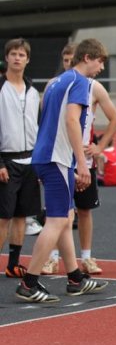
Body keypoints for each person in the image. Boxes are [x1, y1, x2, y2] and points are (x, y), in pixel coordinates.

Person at [16, 38, 109, 302]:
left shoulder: (57, 81)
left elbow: (48, 117)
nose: (101, 68)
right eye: (100, 61)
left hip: (48, 155)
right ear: (87, 57)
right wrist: (81, 162)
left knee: (66, 218)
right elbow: (71, 120)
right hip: (57, 158)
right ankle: (29, 283)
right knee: (57, 220)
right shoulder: (80, 82)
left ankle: (75, 278)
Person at [41, 43, 116, 276]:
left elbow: (115, 119)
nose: (69, 64)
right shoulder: (54, 84)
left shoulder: (94, 87)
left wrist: (100, 147)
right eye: (66, 60)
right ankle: (52, 259)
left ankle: (85, 258)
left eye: (71, 59)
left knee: (84, 210)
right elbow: (47, 120)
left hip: (83, 158)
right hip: (60, 156)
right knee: (59, 213)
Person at [0, 38, 42, 278]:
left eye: (21, 55)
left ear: (28, 60)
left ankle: (13, 264)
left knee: (21, 216)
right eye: (13, 54)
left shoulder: (33, 92)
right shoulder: (0, 88)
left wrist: (40, 162)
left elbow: (38, 127)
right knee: (3, 217)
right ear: (6, 57)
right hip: (7, 161)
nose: (17, 58)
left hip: (30, 162)